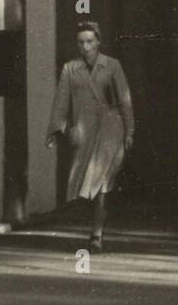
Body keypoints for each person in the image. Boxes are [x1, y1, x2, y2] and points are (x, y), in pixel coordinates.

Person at [45, 22, 135, 253]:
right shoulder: (70, 69)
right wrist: (56, 130)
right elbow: (61, 101)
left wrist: (129, 131)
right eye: (81, 42)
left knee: (102, 183)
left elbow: (125, 101)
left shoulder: (112, 65)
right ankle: (96, 227)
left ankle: (96, 235)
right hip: (84, 132)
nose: (85, 47)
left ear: (98, 42)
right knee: (86, 186)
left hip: (110, 132)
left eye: (90, 41)